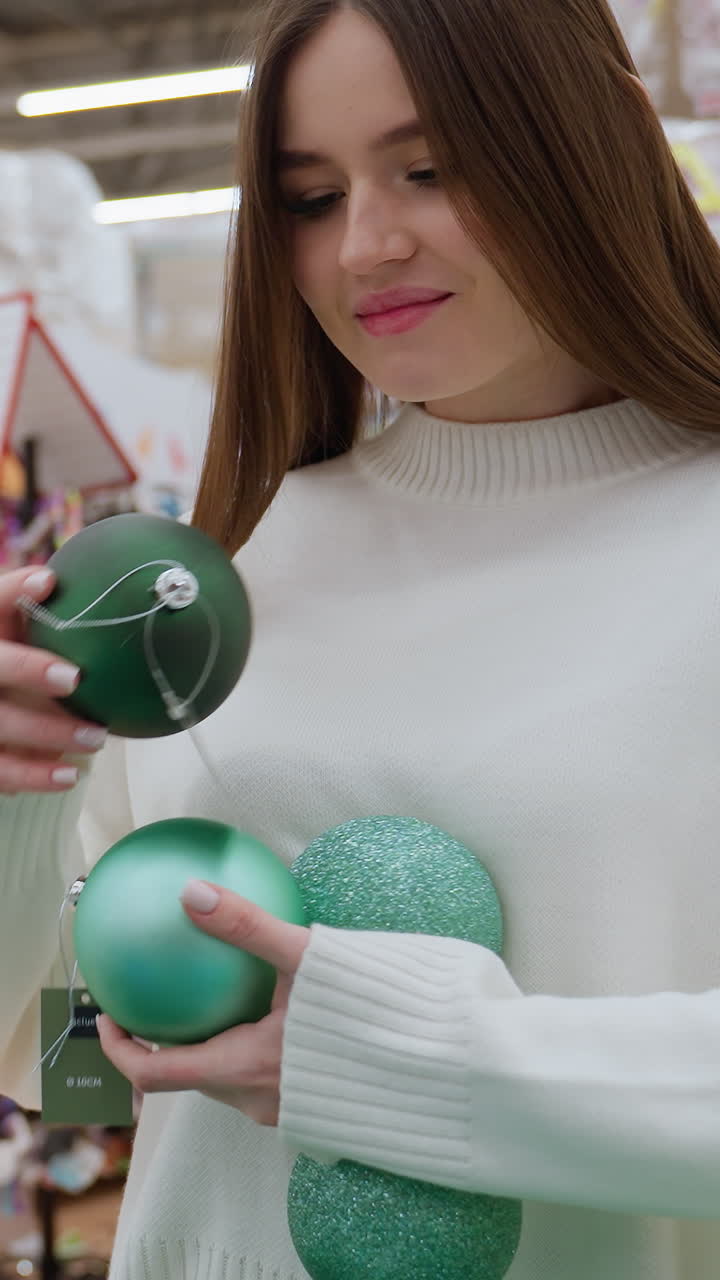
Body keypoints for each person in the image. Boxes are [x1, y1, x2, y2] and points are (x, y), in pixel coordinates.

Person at [0, 0, 719, 1275]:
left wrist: (411, 1063)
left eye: (429, 169)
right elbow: (65, 1058)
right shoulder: (243, 555)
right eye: (310, 197)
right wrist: (20, 791)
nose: (365, 245)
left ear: (581, 153)